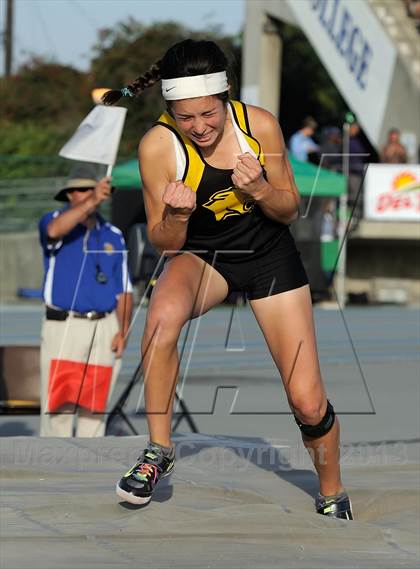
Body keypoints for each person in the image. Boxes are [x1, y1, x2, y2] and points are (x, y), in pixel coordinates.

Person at [104, 39, 353, 520]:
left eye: (208, 114)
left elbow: (289, 209)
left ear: (226, 97)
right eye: (185, 117)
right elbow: (166, 243)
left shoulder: (257, 125)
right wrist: (177, 216)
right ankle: (158, 450)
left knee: (306, 399)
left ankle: (332, 491)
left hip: (268, 254)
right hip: (204, 256)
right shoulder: (158, 146)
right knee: (160, 323)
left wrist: (260, 187)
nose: (198, 127)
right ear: (170, 110)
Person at [38, 164, 133, 437]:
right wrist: (92, 201)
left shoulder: (113, 235)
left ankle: (88, 472)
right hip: (64, 325)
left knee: (94, 408)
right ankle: (52, 472)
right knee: (59, 408)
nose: (88, 194)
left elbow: (124, 289)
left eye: (92, 189)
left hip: (104, 327)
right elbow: (55, 230)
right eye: (80, 189)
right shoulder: (53, 220)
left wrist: (123, 330)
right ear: (69, 194)